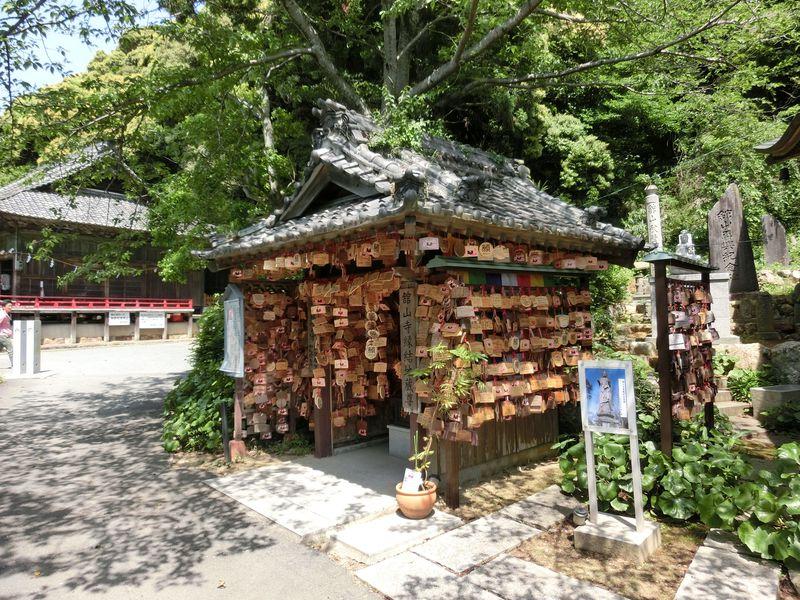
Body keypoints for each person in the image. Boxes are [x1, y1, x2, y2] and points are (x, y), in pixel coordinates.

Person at [0, 300, 12, 366]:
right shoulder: (3, 315)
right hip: (4, 335)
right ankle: (15, 365)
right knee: (11, 350)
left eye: (11, 306)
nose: (10, 307)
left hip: (1, 335)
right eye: (9, 306)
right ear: (4, 307)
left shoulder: (4, 313)